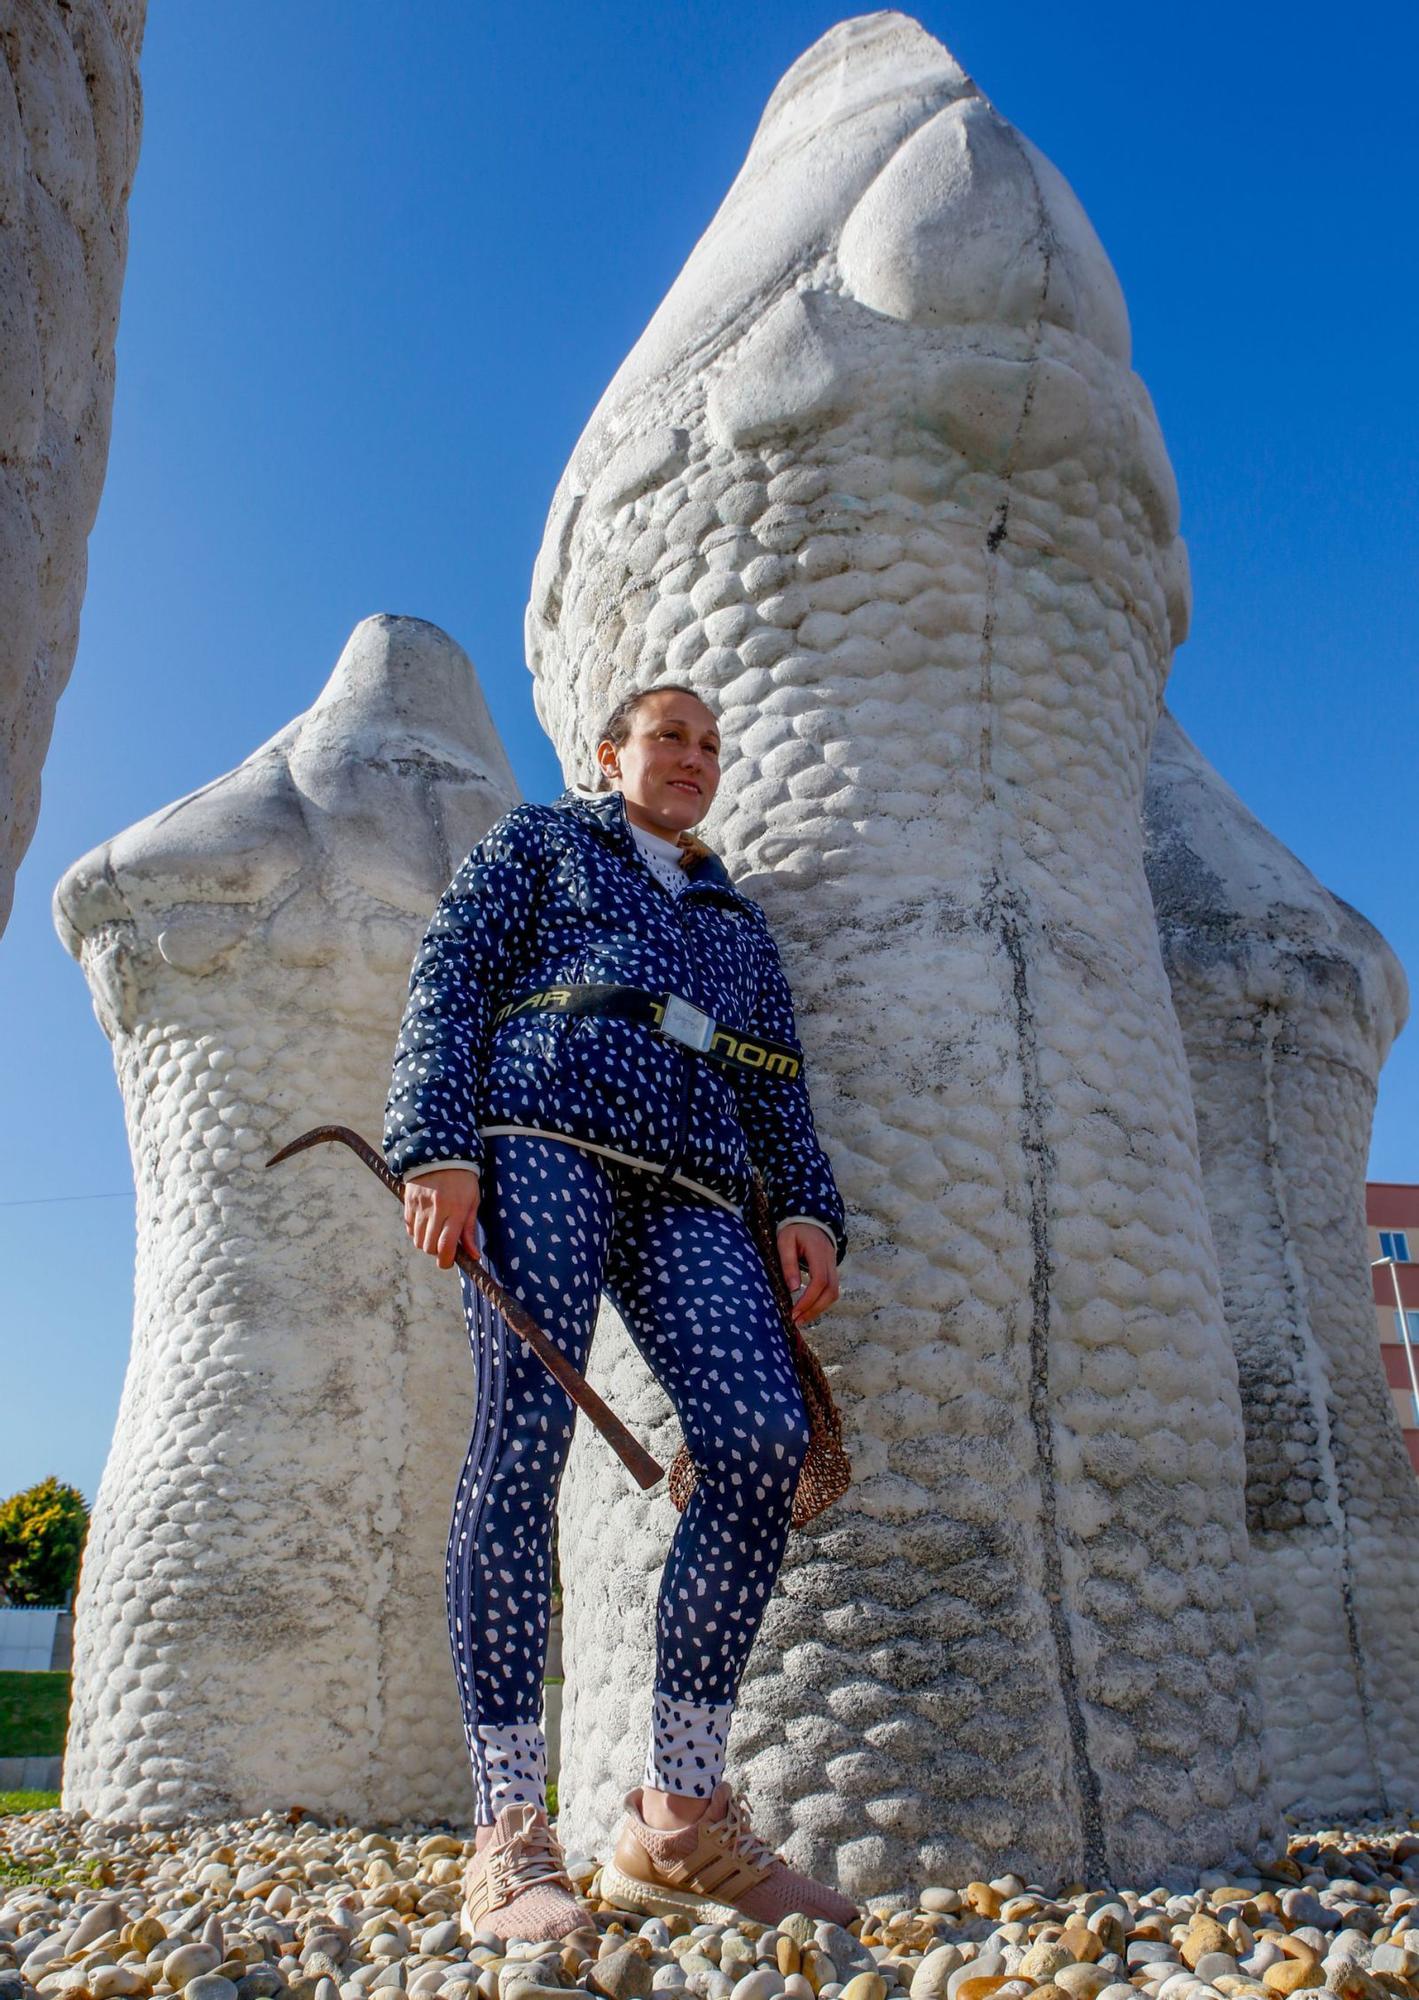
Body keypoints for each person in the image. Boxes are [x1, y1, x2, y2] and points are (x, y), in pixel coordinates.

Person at [383, 683, 854, 1942]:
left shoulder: (735, 922)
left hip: (695, 1185)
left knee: (760, 1440)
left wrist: (805, 1205)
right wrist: (438, 1144)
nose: (694, 757)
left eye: (709, 743)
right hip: (539, 1133)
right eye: (669, 736)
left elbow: (776, 1081)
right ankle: (507, 1829)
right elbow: (451, 973)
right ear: (611, 755)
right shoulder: (540, 843)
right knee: (520, 1444)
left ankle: (678, 1823)